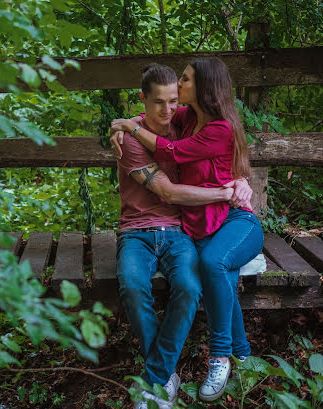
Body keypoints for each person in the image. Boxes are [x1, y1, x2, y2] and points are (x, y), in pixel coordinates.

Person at [111, 57, 263, 403]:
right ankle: (168, 375)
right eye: (161, 100)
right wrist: (121, 126)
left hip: (208, 225)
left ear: (201, 90)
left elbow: (179, 151)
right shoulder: (179, 121)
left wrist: (234, 185)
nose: (172, 101)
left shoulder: (204, 125)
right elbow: (165, 181)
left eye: (182, 86)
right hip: (157, 229)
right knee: (136, 287)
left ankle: (199, 363)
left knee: (200, 276)